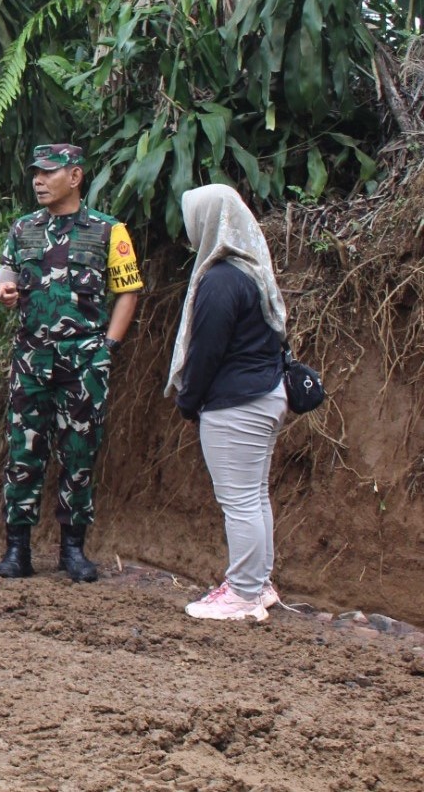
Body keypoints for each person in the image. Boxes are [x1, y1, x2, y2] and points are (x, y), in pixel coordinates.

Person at [0, 144, 143, 582]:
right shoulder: (22, 230)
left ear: (74, 177)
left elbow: (127, 291)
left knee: (80, 453)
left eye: (48, 173)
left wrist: (107, 347)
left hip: (84, 362)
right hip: (31, 360)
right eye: (35, 173)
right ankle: (17, 549)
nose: (38, 180)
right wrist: (6, 295)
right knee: (24, 452)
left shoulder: (109, 231)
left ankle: (72, 550)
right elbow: (5, 283)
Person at [168, 184, 289, 622]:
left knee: (240, 501)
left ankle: (242, 593)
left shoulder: (220, 279)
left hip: (236, 404)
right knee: (254, 497)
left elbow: (206, 351)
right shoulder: (251, 270)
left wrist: (188, 399)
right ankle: (258, 584)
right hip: (265, 395)